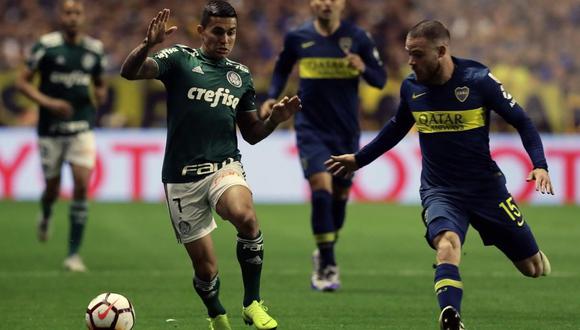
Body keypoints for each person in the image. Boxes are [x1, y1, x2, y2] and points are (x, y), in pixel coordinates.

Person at [326, 20, 554, 330]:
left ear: (442, 51)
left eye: (417, 54)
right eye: (409, 53)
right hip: (440, 189)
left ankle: (527, 248)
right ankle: (451, 316)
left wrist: (540, 164)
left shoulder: (478, 79)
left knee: (534, 268)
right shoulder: (411, 87)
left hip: (486, 190)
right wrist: (358, 159)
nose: (410, 61)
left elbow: (523, 122)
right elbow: (395, 129)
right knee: (446, 244)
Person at [120, 3, 301, 330]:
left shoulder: (240, 76)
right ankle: (216, 314)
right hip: (181, 178)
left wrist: (273, 119)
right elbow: (130, 72)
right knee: (206, 271)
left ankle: (252, 303)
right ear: (201, 30)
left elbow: (252, 135)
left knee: (246, 217)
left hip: (224, 167)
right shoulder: (179, 59)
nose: (225, 38)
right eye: (218, 31)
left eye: (231, 32)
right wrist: (148, 44)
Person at [260, 0, 386, 292]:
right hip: (310, 128)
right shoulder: (297, 38)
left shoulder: (359, 38)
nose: (326, 3)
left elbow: (379, 80)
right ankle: (328, 264)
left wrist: (363, 67)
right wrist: (272, 95)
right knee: (320, 189)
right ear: (312, 4)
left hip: (345, 131)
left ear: (342, 4)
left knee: (339, 200)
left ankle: (325, 250)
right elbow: (281, 69)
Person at [16, 0, 107, 272]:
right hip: (51, 130)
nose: (73, 17)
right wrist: (48, 103)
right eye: (68, 12)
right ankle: (46, 213)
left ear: (83, 16)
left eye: (77, 12)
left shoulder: (95, 50)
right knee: (53, 189)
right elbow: (22, 82)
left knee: (81, 184)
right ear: (60, 15)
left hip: (81, 127)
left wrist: (99, 95)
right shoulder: (46, 46)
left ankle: (73, 254)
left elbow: (100, 84)